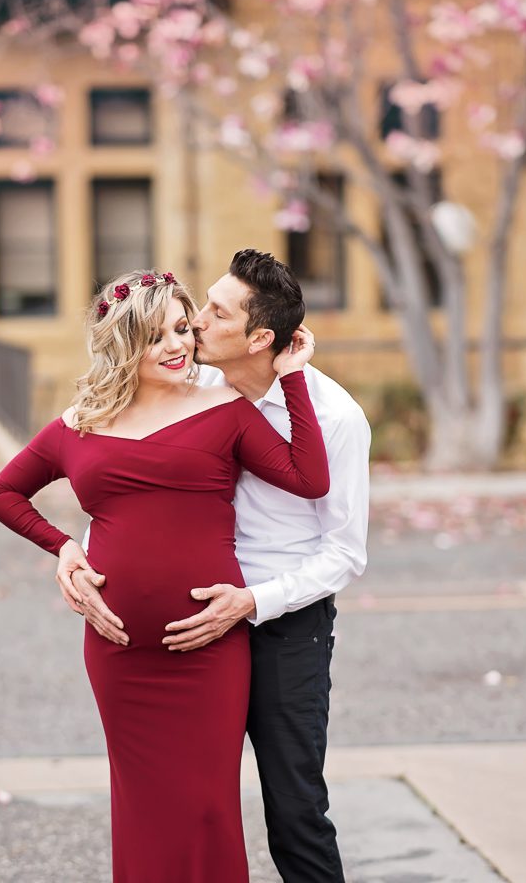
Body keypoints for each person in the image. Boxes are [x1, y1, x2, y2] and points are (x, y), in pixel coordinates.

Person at [0, 268, 330, 883]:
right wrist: (65, 548)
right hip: (119, 652)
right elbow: (4, 492)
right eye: (154, 335)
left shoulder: (226, 409)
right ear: (122, 344)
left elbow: (309, 478)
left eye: (180, 327)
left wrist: (292, 375)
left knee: (206, 808)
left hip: (208, 650)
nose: (176, 345)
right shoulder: (82, 421)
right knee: (141, 809)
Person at [63, 250, 371, 883]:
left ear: (260, 337)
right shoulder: (190, 384)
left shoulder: (336, 417)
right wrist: (74, 553)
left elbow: (344, 552)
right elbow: (125, 482)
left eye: (215, 312)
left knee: (295, 810)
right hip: (190, 630)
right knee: (189, 800)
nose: (195, 321)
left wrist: (252, 600)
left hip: (283, 626)